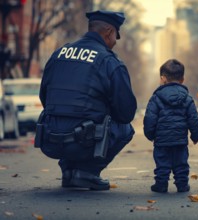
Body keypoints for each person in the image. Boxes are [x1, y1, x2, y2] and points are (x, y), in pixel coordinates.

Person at [37, 10, 137, 191]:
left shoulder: (58, 54)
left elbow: (44, 97)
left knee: (70, 119)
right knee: (125, 129)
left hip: (50, 140)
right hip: (82, 142)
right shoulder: (109, 61)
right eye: (116, 36)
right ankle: (87, 173)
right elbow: (126, 113)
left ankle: (69, 171)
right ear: (108, 32)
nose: (115, 42)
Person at [143, 59, 198, 193]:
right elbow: (193, 119)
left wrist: (150, 134)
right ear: (183, 79)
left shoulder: (156, 98)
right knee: (181, 163)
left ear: (163, 79)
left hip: (161, 141)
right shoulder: (187, 98)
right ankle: (182, 185)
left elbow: (150, 118)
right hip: (180, 140)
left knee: (162, 163)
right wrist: (195, 135)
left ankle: (161, 184)